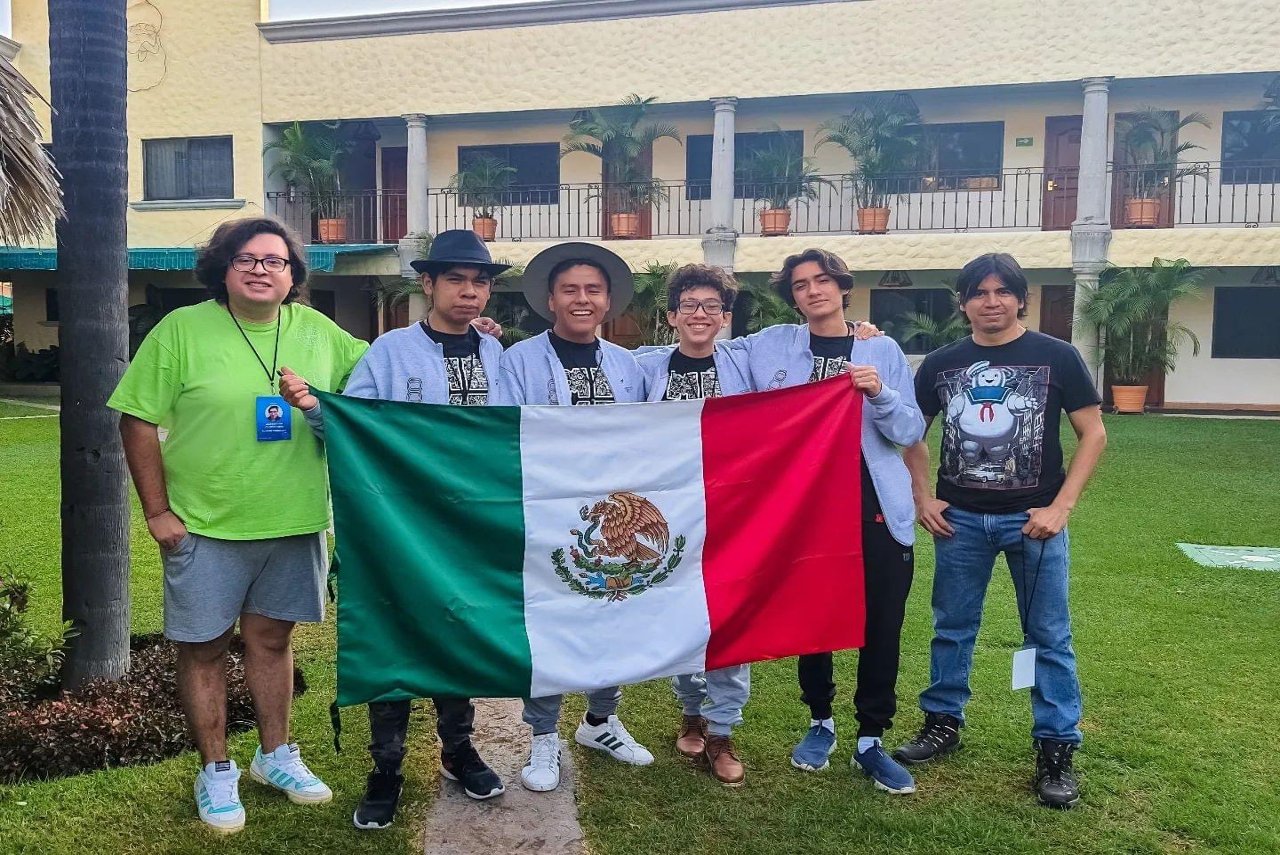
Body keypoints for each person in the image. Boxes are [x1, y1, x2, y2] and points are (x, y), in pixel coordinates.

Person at [109, 217, 369, 833]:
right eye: (246, 259)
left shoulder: (318, 332)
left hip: (293, 521)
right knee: (203, 649)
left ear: (292, 275)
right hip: (205, 524)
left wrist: (467, 333)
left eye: (275, 261)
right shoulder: (182, 329)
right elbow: (136, 419)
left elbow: (380, 377)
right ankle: (216, 769)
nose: (260, 270)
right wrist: (157, 511)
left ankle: (274, 755)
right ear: (223, 269)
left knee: (272, 641)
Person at [279, 230, 511, 829]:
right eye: (455, 279)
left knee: (460, 631)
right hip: (398, 526)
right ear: (427, 284)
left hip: (470, 530)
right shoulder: (390, 352)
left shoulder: (496, 356)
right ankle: (386, 767)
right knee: (393, 634)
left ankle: (458, 750)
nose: (469, 292)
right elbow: (353, 428)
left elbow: (514, 433)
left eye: (479, 281)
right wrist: (313, 407)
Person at [894, 252, 1107, 809]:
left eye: (1002, 292)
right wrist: (923, 497)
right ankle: (942, 722)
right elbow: (912, 433)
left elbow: (1093, 434)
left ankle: (1056, 747)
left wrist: (1061, 507)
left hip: (1034, 523)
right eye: (979, 293)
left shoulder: (1056, 356)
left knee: (1048, 635)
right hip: (960, 522)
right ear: (964, 303)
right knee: (952, 626)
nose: (991, 302)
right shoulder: (941, 363)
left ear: (1020, 299)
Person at [718, 248, 924, 795]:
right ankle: (820, 721)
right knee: (814, 616)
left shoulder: (880, 348)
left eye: (823, 280)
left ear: (843, 286)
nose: (814, 291)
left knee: (881, 623)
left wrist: (879, 393)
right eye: (801, 284)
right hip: (805, 508)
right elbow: (704, 348)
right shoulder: (773, 345)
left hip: (875, 505)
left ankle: (871, 737)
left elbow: (909, 430)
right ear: (793, 297)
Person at [499, 242, 651, 793]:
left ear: (608, 300)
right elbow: (505, 431)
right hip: (547, 512)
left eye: (593, 290)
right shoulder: (517, 361)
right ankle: (543, 735)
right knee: (550, 621)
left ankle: (601, 720)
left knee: (613, 614)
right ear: (551, 299)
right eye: (570, 290)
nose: (581, 299)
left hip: (615, 516)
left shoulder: (629, 366)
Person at [634, 264, 753, 786]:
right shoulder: (644, 366)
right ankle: (691, 713)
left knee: (732, 619)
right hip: (672, 515)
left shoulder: (746, 363)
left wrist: (861, 330)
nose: (699, 314)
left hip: (735, 513)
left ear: (725, 317)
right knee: (682, 616)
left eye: (711, 306)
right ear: (672, 316)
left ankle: (723, 729)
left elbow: (803, 344)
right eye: (689, 305)